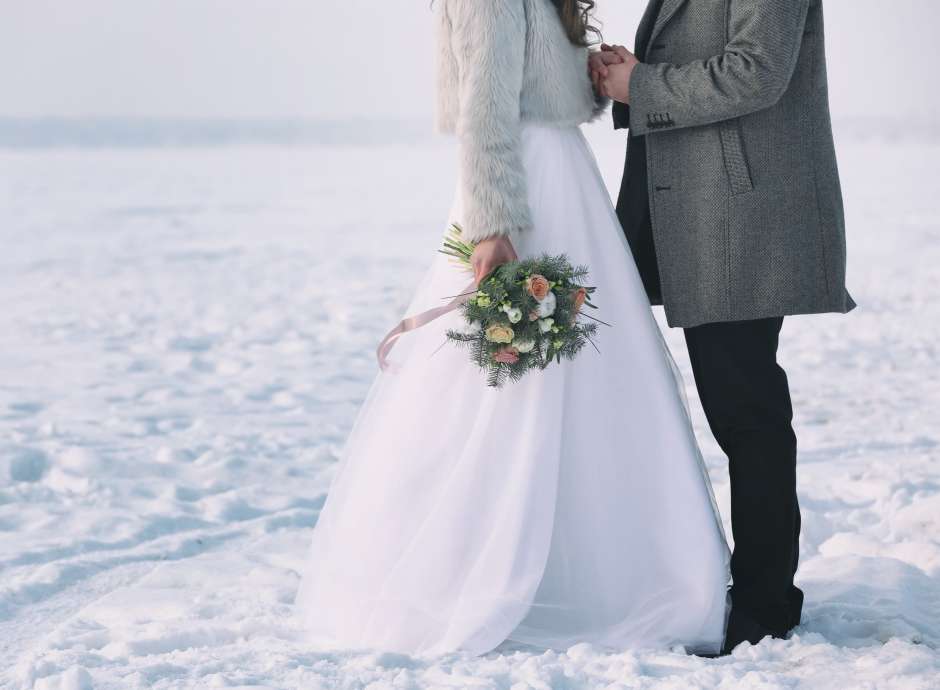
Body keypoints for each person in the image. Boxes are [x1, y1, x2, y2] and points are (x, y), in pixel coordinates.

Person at [294, 0, 730, 656]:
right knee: (501, 381)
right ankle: (470, 571)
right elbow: (483, 107)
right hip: (521, 190)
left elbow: (530, 84)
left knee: (586, 376)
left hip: (562, 178)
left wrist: (584, 71)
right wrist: (492, 224)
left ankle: (600, 567)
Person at [590, 0, 854, 653]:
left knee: (747, 413)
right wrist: (635, 77)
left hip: (742, 219)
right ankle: (759, 594)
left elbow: (756, 72)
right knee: (741, 410)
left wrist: (640, 85)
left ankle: (766, 606)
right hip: (708, 213)